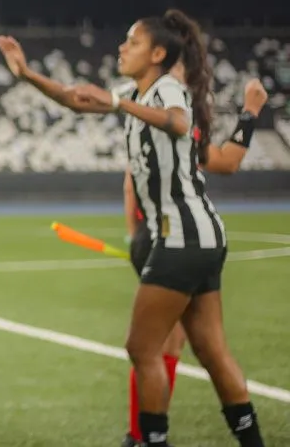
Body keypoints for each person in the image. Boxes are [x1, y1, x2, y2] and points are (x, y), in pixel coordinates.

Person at [0, 10, 265, 447]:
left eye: (132, 42)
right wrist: (26, 74)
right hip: (199, 235)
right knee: (213, 354)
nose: (122, 47)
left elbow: (178, 122)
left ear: (158, 53)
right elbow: (75, 98)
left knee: (142, 347)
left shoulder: (168, 88)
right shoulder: (142, 90)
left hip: (181, 237)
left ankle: (149, 441)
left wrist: (119, 103)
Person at [120, 75, 268, 447]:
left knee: (159, 347)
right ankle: (141, 436)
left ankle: (140, 437)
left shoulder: (173, 115)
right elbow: (132, 178)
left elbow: (225, 161)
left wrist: (250, 114)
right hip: (174, 237)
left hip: (177, 239)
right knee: (166, 347)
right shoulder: (161, 107)